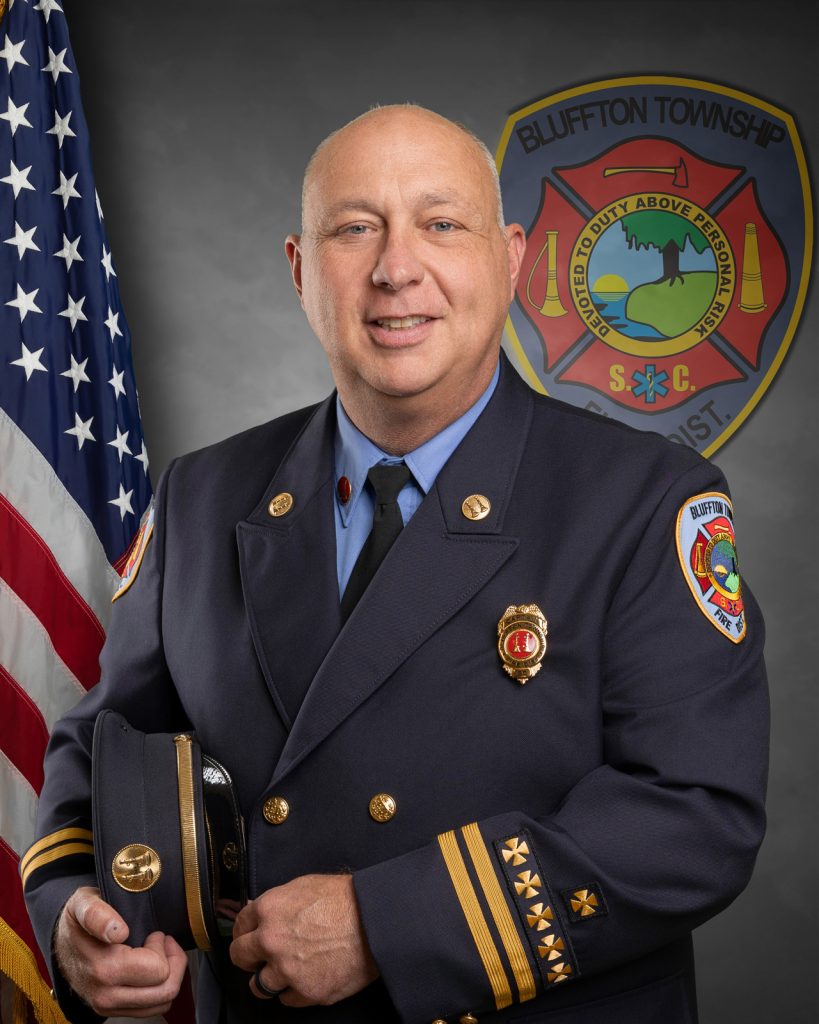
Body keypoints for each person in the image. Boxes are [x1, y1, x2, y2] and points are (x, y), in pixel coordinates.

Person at [23, 105, 768, 1024]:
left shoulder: (644, 500)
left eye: (440, 224)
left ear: (513, 260)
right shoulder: (202, 498)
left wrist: (388, 926)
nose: (395, 268)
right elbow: (108, 751)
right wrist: (74, 917)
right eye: (353, 228)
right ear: (301, 271)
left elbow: (694, 816)